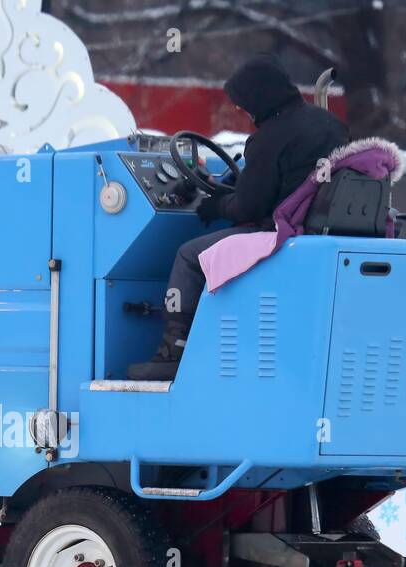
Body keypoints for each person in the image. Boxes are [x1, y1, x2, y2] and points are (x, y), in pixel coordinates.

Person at [127, 54, 349, 381]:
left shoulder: (270, 137)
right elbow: (282, 179)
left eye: (241, 103)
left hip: (283, 230)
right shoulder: (329, 124)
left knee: (190, 256)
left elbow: (249, 208)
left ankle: (174, 351)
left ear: (259, 97)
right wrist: (232, 186)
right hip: (319, 226)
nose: (239, 110)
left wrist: (214, 207)